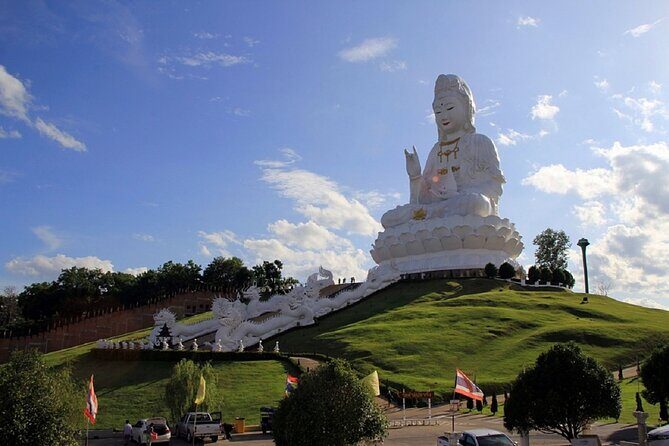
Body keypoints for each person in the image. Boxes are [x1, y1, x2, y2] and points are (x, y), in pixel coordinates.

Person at [380, 74, 505, 229]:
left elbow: (493, 187)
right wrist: (415, 176)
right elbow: (422, 199)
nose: (443, 116)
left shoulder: (480, 142)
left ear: (466, 109)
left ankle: (429, 217)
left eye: (450, 108)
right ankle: (431, 216)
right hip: (439, 209)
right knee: (387, 219)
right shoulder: (436, 150)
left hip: (464, 204)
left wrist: (459, 195)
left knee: (477, 204)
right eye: (438, 112)